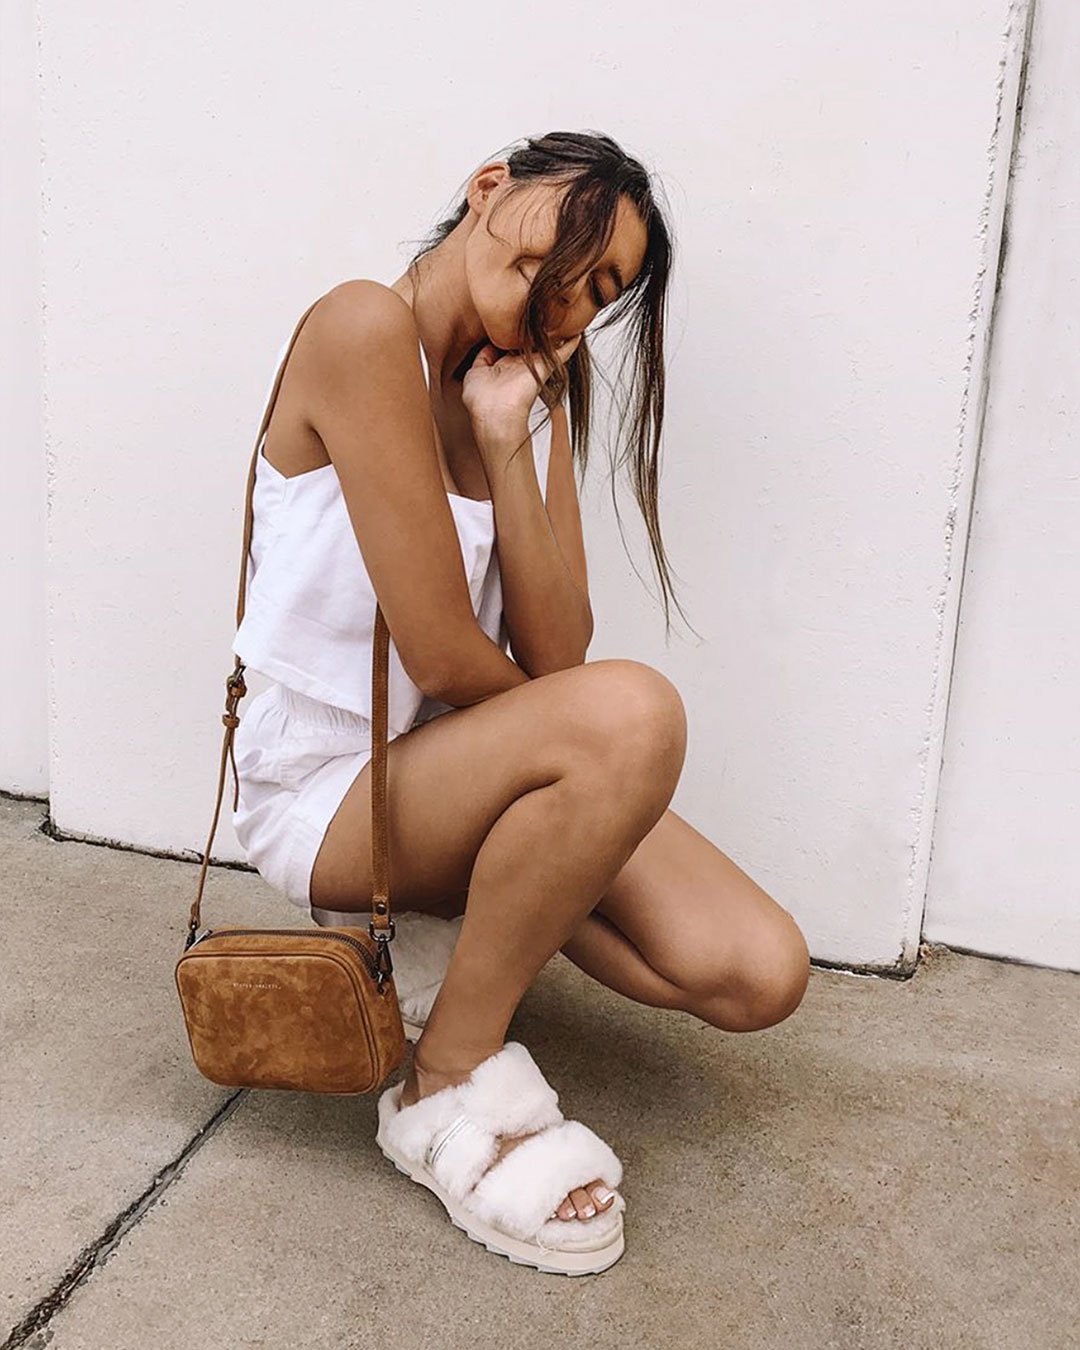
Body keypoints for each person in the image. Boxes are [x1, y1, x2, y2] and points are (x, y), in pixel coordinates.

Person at [230, 129, 810, 1274]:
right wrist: (573, 743)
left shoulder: (519, 390)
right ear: (490, 187)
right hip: (325, 788)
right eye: (573, 246)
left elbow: (559, 647)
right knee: (630, 715)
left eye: (603, 289)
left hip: (454, 768)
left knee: (758, 970)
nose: (571, 297)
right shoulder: (360, 329)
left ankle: (484, 923)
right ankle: (446, 1072)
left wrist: (507, 441)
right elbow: (453, 656)